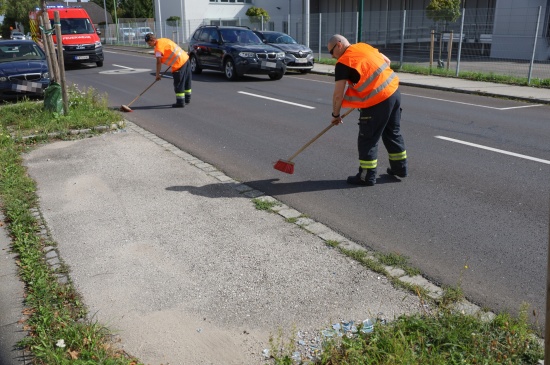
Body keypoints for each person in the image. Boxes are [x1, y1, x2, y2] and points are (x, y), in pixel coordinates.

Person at [327, 34, 407, 186]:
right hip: (393, 92)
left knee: (368, 138)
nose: (332, 57)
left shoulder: (343, 63)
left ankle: (366, 176)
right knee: (392, 133)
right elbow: (387, 61)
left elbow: (338, 95)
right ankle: (400, 169)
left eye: (331, 52)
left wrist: (335, 115)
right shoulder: (363, 46)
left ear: (339, 45)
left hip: (377, 102)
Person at [145, 33, 191, 108]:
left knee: (178, 83)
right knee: (186, 81)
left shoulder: (158, 49)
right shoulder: (163, 40)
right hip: (185, 59)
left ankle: (180, 102)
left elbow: (158, 62)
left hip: (179, 64)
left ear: (153, 40)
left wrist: (157, 75)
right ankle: (187, 99)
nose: (149, 45)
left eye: (149, 43)